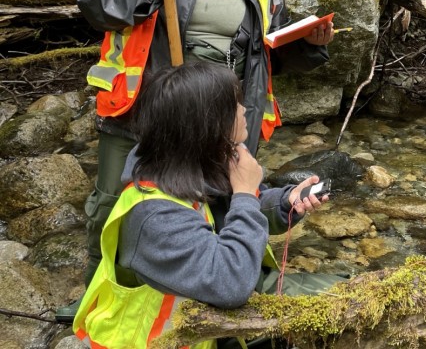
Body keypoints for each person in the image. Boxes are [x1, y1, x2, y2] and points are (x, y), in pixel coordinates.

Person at [58, 0, 334, 321]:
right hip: (144, 107)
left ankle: (211, 288)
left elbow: (269, 57)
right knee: (115, 200)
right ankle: (101, 293)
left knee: (221, 197)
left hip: (221, 115)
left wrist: (310, 44)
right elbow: (91, 0)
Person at [73, 62, 343, 348]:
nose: (245, 110)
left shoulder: (180, 165)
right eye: (235, 104)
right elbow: (231, 284)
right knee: (336, 309)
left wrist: (283, 202)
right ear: (207, 124)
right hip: (157, 341)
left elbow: (225, 209)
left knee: (344, 289)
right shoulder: (154, 216)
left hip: (202, 327)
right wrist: (245, 193)